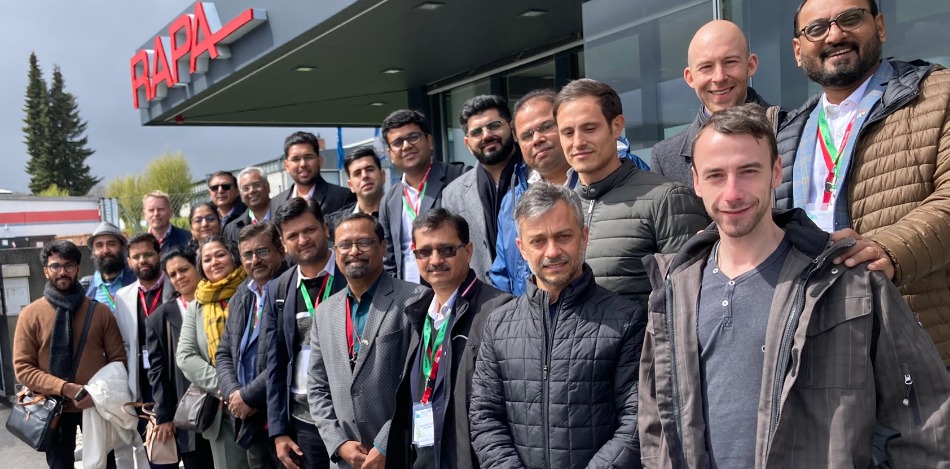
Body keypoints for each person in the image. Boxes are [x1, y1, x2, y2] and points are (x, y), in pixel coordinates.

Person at [639, 104, 950, 467]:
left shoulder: (849, 278)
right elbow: (655, 419)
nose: (732, 193)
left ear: (776, 172)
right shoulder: (674, 289)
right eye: (716, 176)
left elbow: (924, 417)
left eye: (748, 171)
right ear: (695, 181)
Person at [774, 0, 950, 367]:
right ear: (797, 50)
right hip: (814, 352)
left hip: (915, 340)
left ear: (880, 27)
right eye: (817, 28)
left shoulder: (937, 94)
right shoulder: (787, 132)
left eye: (851, 19)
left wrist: (888, 248)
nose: (835, 35)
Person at [469, 183, 645, 468]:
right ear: (521, 248)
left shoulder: (626, 319)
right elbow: (484, 416)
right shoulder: (499, 324)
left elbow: (637, 419)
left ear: (584, 237)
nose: (552, 251)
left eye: (563, 236)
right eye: (538, 240)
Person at [554, 78, 709, 306]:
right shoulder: (560, 209)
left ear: (616, 126)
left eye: (589, 128)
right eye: (567, 132)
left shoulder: (668, 200)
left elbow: (689, 303)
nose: (578, 142)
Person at [388, 208, 513, 469]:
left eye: (447, 250)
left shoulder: (499, 310)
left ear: (468, 251)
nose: (435, 260)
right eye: (425, 252)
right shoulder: (420, 312)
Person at [307, 213, 431, 469]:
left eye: (364, 242)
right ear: (335, 251)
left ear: (383, 246)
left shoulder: (416, 299)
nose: (354, 251)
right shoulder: (324, 312)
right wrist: (338, 443)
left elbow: (421, 383)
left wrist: (386, 443)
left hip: (399, 454)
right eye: (344, 245)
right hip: (346, 460)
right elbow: (317, 387)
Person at [13, 240, 126, 469]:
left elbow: (118, 361)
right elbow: (23, 368)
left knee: (105, 464)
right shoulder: (31, 315)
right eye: (55, 266)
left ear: (78, 268)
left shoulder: (100, 312)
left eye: (69, 265)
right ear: (46, 270)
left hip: (95, 406)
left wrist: (96, 395)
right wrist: (66, 388)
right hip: (52, 408)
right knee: (59, 465)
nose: (62, 271)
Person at [263, 197, 346, 469]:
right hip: (303, 423)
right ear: (283, 243)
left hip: (347, 418)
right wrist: (279, 431)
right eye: (293, 235)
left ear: (325, 228)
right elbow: (274, 363)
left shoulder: (351, 275)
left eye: (309, 230)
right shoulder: (278, 290)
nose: (303, 240)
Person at [651, 19, 772, 188]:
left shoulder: (790, 131)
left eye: (730, 62)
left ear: (750, 65)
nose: (719, 77)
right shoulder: (665, 159)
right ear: (690, 78)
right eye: (706, 67)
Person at [490, 89, 578, 297]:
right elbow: (502, 276)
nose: (537, 139)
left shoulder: (600, 182)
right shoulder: (511, 202)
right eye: (527, 135)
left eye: (546, 127)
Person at [216, 223, 288, 469]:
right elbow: (224, 352)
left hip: (283, 418)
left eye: (262, 251)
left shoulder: (291, 289)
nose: (255, 260)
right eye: (247, 255)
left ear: (281, 250)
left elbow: (291, 355)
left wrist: (248, 396)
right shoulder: (240, 296)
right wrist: (233, 393)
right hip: (249, 419)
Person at [176, 236, 250, 469]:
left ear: (233, 256)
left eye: (220, 254)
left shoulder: (253, 288)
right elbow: (185, 356)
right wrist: (227, 388)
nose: (214, 262)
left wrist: (250, 392)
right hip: (223, 407)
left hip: (261, 401)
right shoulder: (198, 304)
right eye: (207, 259)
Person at [146, 246, 215, 469]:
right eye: (173, 274)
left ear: (197, 267)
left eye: (184, 269)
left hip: (224, 404)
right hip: (189, 412)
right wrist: (164, 415)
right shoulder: (160, 318)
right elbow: (157, 371)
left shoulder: (219, 303)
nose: (179, 277)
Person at [379, 109, 467, 282]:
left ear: (429, 140)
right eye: (397, 142)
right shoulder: (389, 200)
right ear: (390, 153)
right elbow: (390, 260)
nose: (406, 146)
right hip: (408, 299)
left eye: (413, 137)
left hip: (455, 292)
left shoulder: (459, 178)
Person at [442, 95, 523, 282]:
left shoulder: (537, 175)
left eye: (494, 126)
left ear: (511, 128)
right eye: (477, 132)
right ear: (467, 143)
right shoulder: (453, 194)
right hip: (484, 301)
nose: (486, 135)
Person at [113, 233, 176, 402]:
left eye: (148, 254)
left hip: (174, 374)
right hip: (141, 378)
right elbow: (124, 343)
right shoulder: (122, 296)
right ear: (129, 262)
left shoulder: (176, 288)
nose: (142, 260)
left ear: (159, 255)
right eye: (136, 257)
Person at [268, 131, 355, 218]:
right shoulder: (275, 203)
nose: (303, 164)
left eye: (308, 157)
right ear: (286, 166)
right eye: (296, 159)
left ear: (320, 161)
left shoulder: (342, 197)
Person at [326, 147, 385, 236]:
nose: (365, 176)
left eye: (369, 169)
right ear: (351, 185)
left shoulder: (402, 212)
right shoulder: (335, 223)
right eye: (357, 173)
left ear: (382, 176)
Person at [82, 221, 137, 311]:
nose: (105, 250)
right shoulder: (84, 286)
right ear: (93, 252)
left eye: (111, 244)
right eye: (99, 246)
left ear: (122, 248)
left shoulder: (137, 281)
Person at [224, 167, 273, 244]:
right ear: (240, 194)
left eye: (257, 185)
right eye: (246, 188)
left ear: (268, 187)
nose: (252, 191)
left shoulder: (285, 214)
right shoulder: (233, 229)